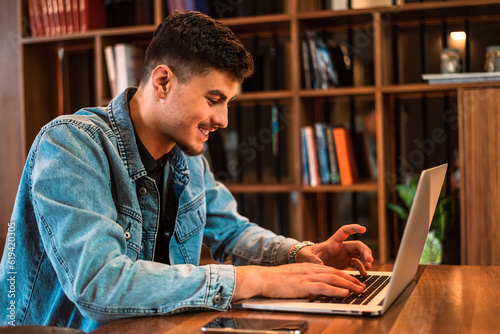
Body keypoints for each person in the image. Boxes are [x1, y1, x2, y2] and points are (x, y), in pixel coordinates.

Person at [0, 11, 373, 331]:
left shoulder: (187, 158)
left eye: (227, 103)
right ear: (163, 81)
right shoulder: (70, 144)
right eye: (214, 100)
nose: (223, 119)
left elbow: (232, 230)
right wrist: (252, 279)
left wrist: (301, 255)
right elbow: (100, 284)